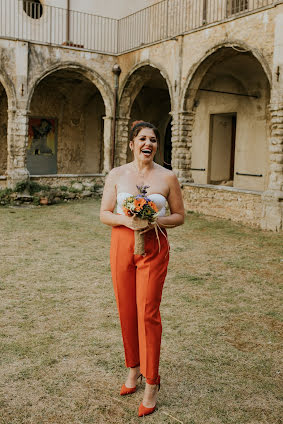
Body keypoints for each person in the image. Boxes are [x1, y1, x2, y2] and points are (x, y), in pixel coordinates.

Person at [100, 121, 184, 417]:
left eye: (153, 139)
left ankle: (151, 382)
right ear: (132, 144)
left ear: (156, 146)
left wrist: (154, 220)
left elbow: (179, 216)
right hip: (122, 244)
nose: (148, 143)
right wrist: (127, 220)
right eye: (143, 138)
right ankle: (133, 370)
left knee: (148, 312)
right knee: (126, 310)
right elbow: (105, 213)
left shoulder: (168, 176)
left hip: (155, 246)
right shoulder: (117, 174)